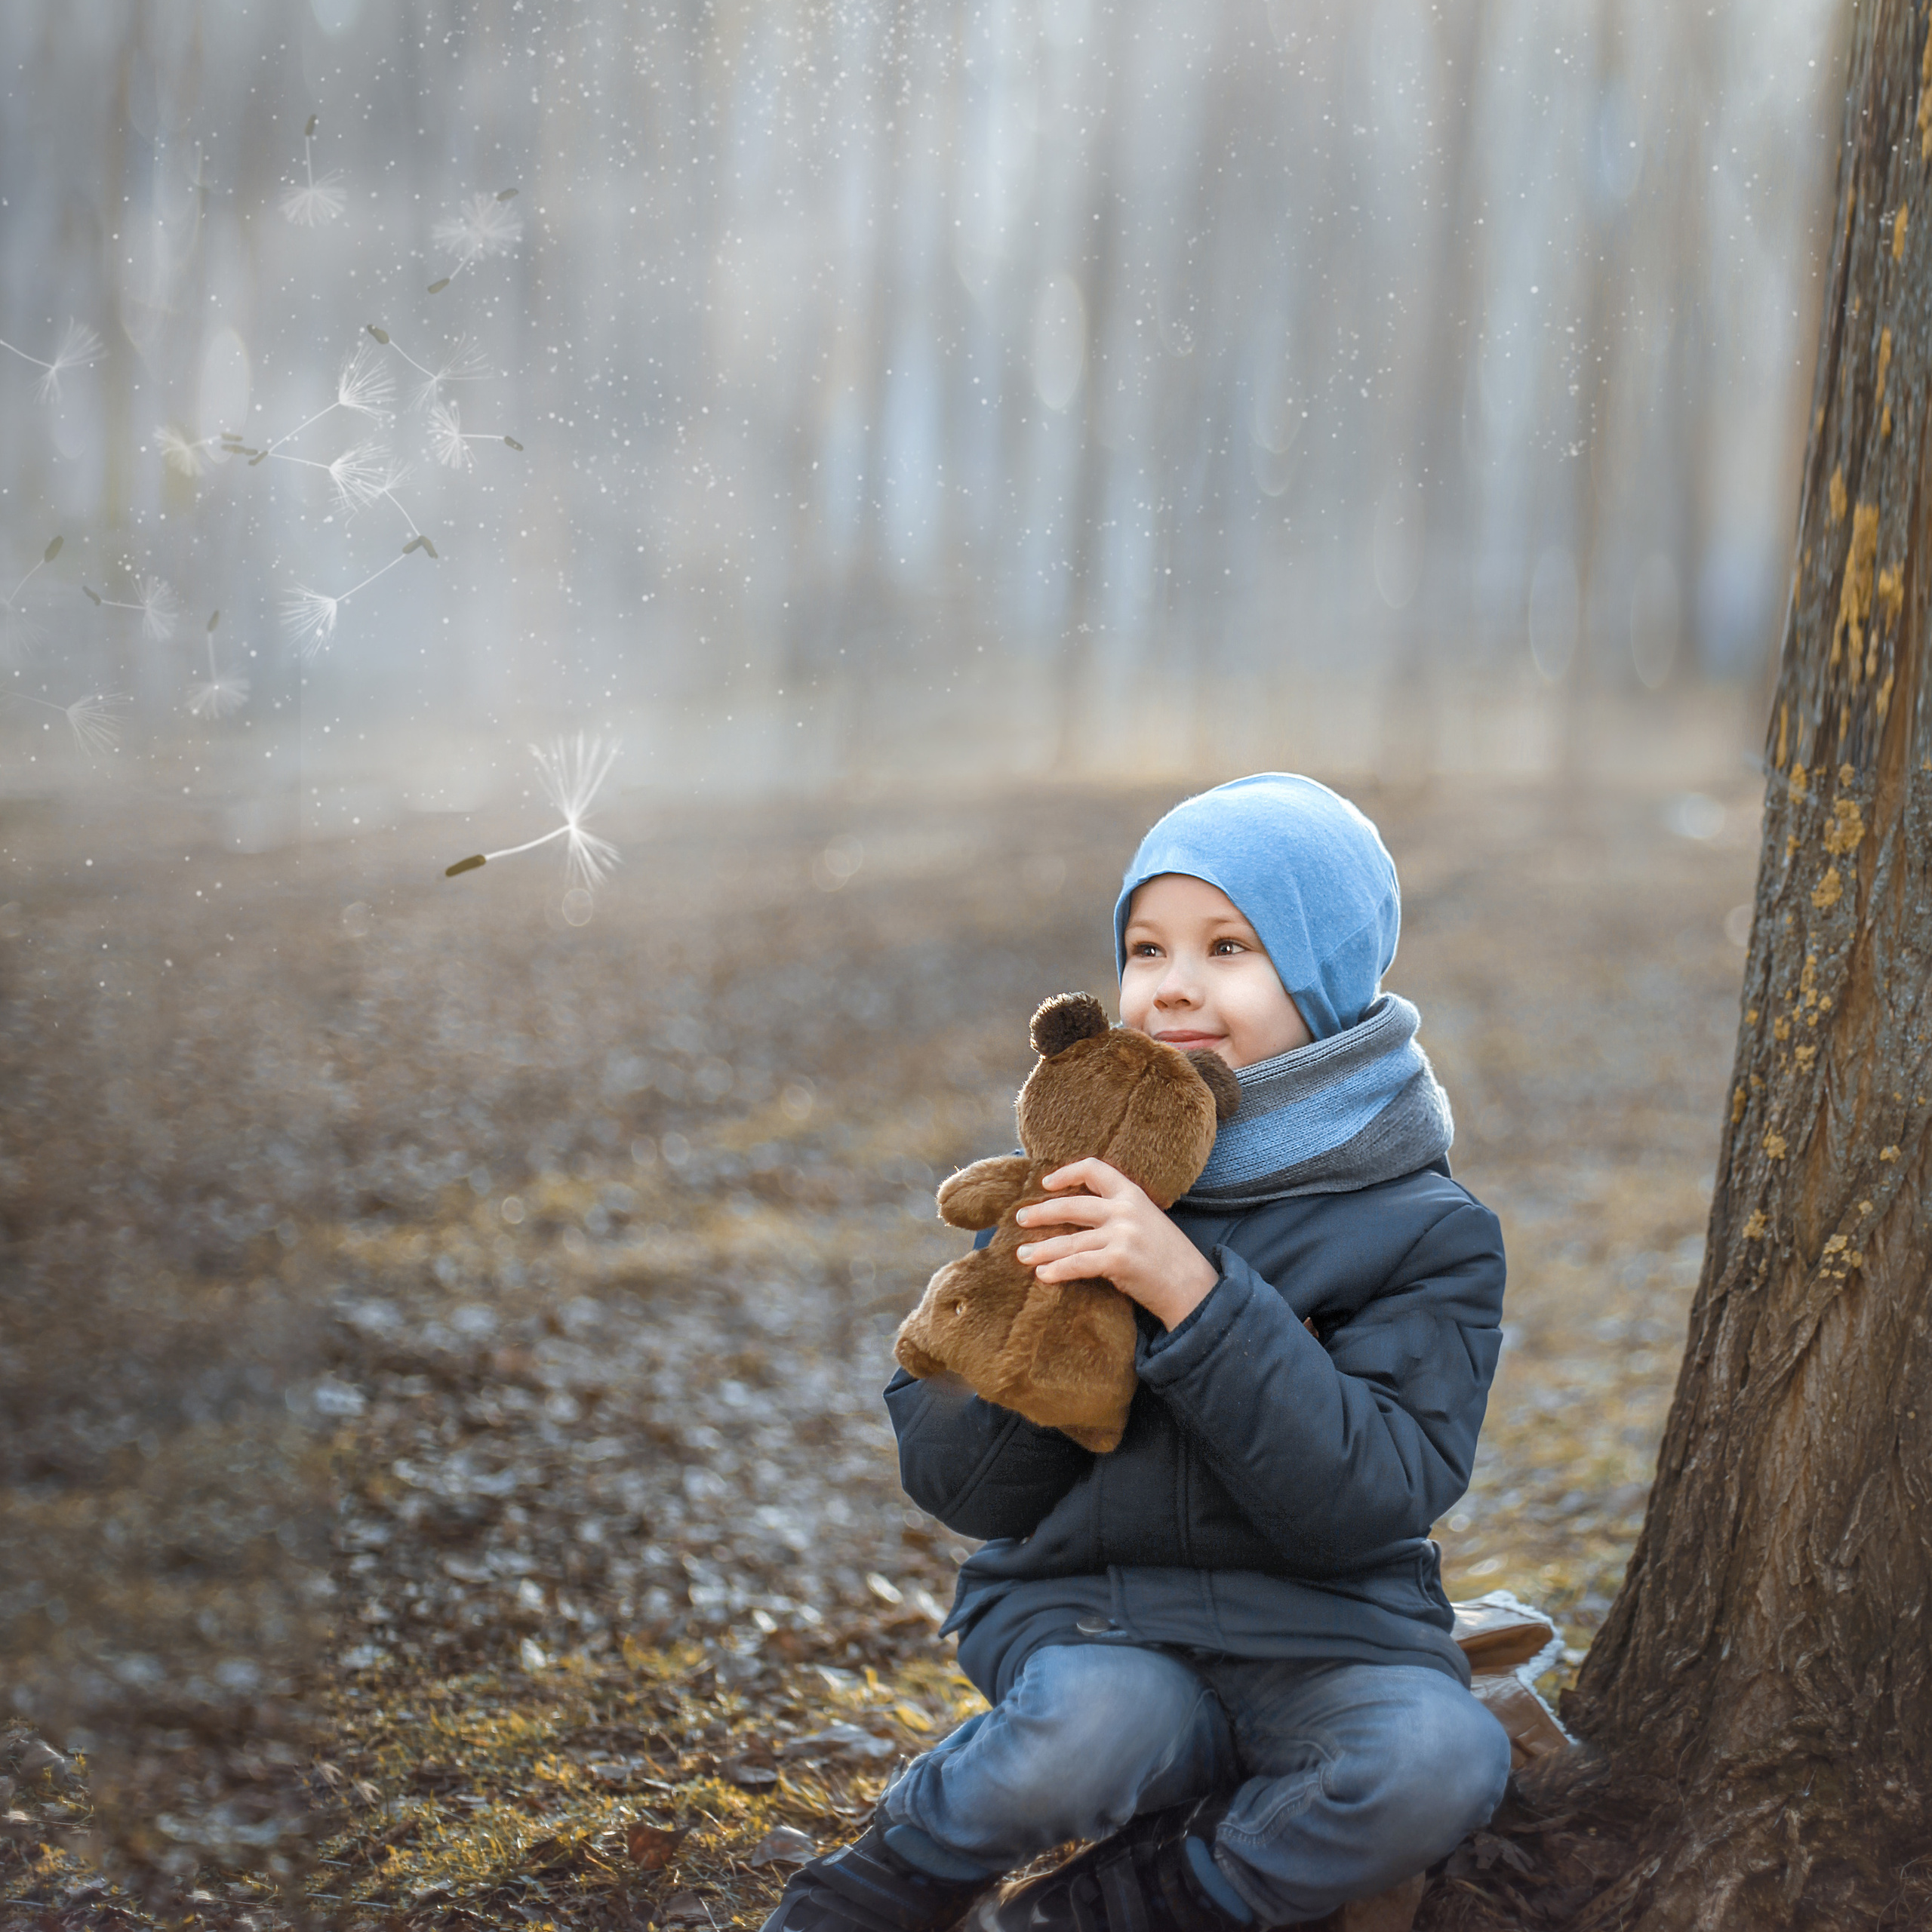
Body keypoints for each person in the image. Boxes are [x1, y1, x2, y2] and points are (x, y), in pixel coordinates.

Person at [761, 774, 1511, 1932]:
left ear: (1326, 976)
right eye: (1147, 948)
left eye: (1229, 947)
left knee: (1441, 1760)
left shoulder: (1424, 1227)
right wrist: (1022, 1311)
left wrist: (1196, 1298)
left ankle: (1136, 1902)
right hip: (1094, 1618)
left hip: (1329, 1638)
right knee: (1093, 1729)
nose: (1175, 987)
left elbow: (1375, 1491)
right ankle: (885, 1884)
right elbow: (960, 1489)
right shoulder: (1070, 1185)